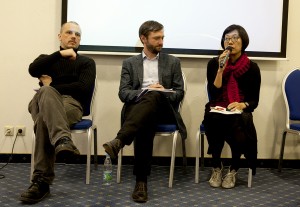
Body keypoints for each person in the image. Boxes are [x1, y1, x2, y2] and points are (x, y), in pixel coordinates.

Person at [103, 20, 186, 203]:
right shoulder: (129, 63)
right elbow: (123, 93)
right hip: (138, 111)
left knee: (154, 96)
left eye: (162, 37)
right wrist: (146, 92)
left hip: (163, 109)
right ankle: (141, 181)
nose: (161, 42)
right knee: (145, 119)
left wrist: (159, 92)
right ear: (143, 39)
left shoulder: (173, 62)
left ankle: (120, 141)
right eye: (156, 38)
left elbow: (179, 93)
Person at [20, 21, 96, 203]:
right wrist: (60, 54)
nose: (73, 37)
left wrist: (51, 85)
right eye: (69, 32)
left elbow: (83, 89)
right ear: (59, 36)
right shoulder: (47, 59)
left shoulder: (86, 62)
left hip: (71, 105)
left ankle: (41, 182)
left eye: (77, 34)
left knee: (43, 120)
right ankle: (63, 139)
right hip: (41, 102)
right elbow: (32, 70)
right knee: (45, 94)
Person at [203, 24, 261, 189]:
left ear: (244, 42)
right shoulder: (214, 64)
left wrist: (242, 104)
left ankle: (234, 169)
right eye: (227, 38)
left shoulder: (252, 68)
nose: (231, 42)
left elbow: (254, 101)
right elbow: (214, 93)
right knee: (213, 118)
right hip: (218, 106)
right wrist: (221, 70)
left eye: (235, 38)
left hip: (239, 110)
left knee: (238, 122)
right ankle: (216, 166)